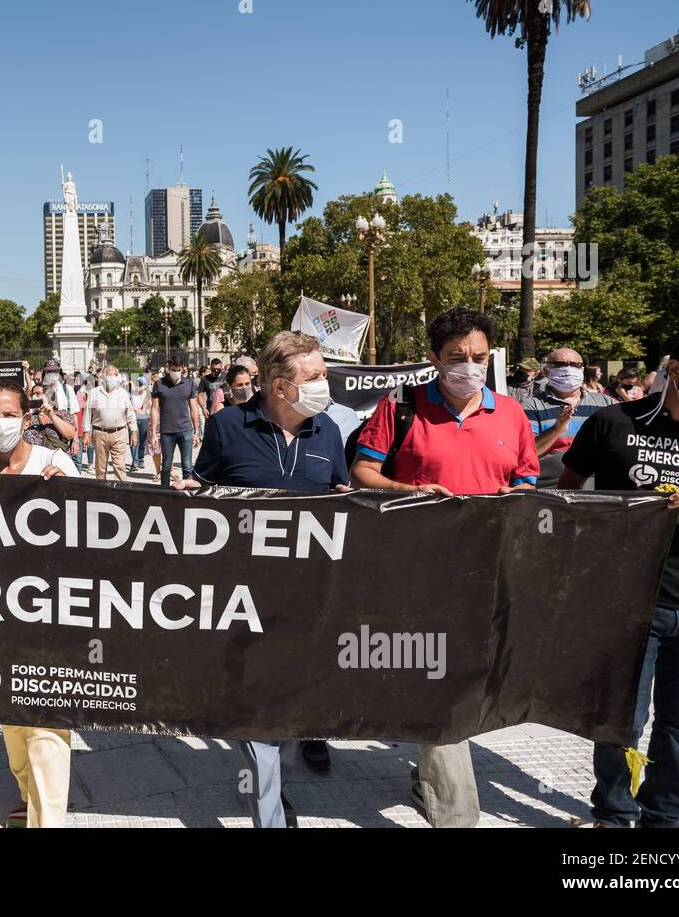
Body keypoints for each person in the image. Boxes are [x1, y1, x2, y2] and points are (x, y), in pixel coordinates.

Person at [351, 307, 538, 828]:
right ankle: (454, 811)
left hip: (490, 569)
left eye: (479, 357)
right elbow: (363, 471)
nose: (469, 366)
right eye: (457, 358)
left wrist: (513, 498)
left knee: (466, 678)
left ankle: (428, 770)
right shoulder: (402, 407)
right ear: (434, 359)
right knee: (445, 678)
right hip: (420, 568)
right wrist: (411, 492)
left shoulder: (511, 415)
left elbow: (526, 481)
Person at [559, 327, 679, 829]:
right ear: (678, 369)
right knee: (620, 723)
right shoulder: (612, 422)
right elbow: (567, 493)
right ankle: (614, 815)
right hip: (627, 606)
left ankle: (664, 820)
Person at [179, 333, 350, 828]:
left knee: (291, 712)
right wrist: (189, 493)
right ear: (280, 386)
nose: (324, 383)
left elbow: (341, 497)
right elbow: (205, 491)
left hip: (310, 602)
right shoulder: (228, 426)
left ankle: (278, 791)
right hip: (244, 600)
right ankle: (271, 816)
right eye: (315, 376)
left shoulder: (329, 435)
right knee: (259, 718)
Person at [0, 379, 77, 827]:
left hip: (51, 614)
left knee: (48, 720)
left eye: (9, 414)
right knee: (11, 720)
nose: (0, 422)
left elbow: (94, 535)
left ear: (26, 418)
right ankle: (26, 792)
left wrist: (70, 494)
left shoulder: (54, 462)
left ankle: (48, 820)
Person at [518, 347, 617, 488]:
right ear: (546, 371)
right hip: (551, 489)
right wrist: (556, 429)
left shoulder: (606, 403)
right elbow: (527, 452)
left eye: (575, 365)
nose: (568, 369)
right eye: (560, 364)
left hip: (598, 488)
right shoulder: (531, 405)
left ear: (582, 370)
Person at [149, 358, 200, 487]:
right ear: (168, 368)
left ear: (182, 368)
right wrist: (154, 433)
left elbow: (194, 409)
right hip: (167, 431)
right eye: (173, 370)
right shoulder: (159, 384)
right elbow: (155, 409)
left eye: (178, 370)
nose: (176, 372)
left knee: (187, 465)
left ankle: (187, 492)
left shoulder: (189, 383)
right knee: (166, 466)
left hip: (186, 430)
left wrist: (197, 432)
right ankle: (164, 492)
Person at [84, 366, 138, 482]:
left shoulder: (123, 393)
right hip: (100, 433)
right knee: (101, 467)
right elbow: (87, 414)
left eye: (114, 374)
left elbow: (130, 414)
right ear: (103, 376)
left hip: (119, 433)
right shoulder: (94, 393)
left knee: (119, 466)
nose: (112, 377)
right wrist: (86, 433)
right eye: (109, 374)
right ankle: (102, 492)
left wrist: (133, 432)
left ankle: (121, 492)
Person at [23, 382, 77, 452]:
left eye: (38, 393)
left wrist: (52, 416)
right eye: (33, 394)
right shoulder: (28, 417)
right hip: (34, 459)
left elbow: (70, 435)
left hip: (56, 459)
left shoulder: (63, 414)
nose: (35, 397)